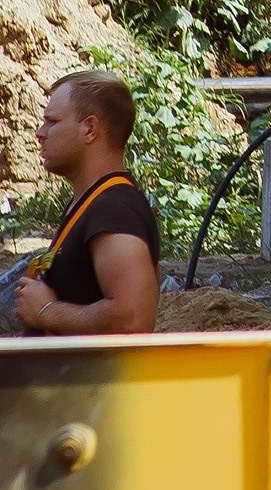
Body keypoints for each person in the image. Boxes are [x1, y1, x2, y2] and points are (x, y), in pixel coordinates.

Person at [12, 69, 161, 337]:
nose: (39, 133)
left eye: (52, 122)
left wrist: (46, 311)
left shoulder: (114, 209)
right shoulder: (94, 203)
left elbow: (134, 318)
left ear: (90, 129)